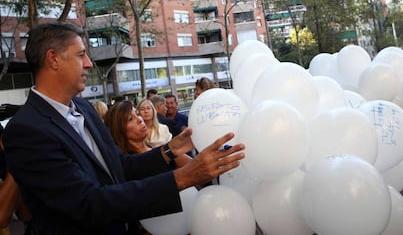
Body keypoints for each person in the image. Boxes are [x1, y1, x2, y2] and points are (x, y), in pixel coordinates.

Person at [2, 21, 245, 235]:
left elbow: (119, 167)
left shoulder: (83, 107)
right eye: (81, 55)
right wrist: (184, 177)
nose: (88, 64)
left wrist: (168, 151)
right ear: (53, 58)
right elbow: (87, 204)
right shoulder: (26, 131)